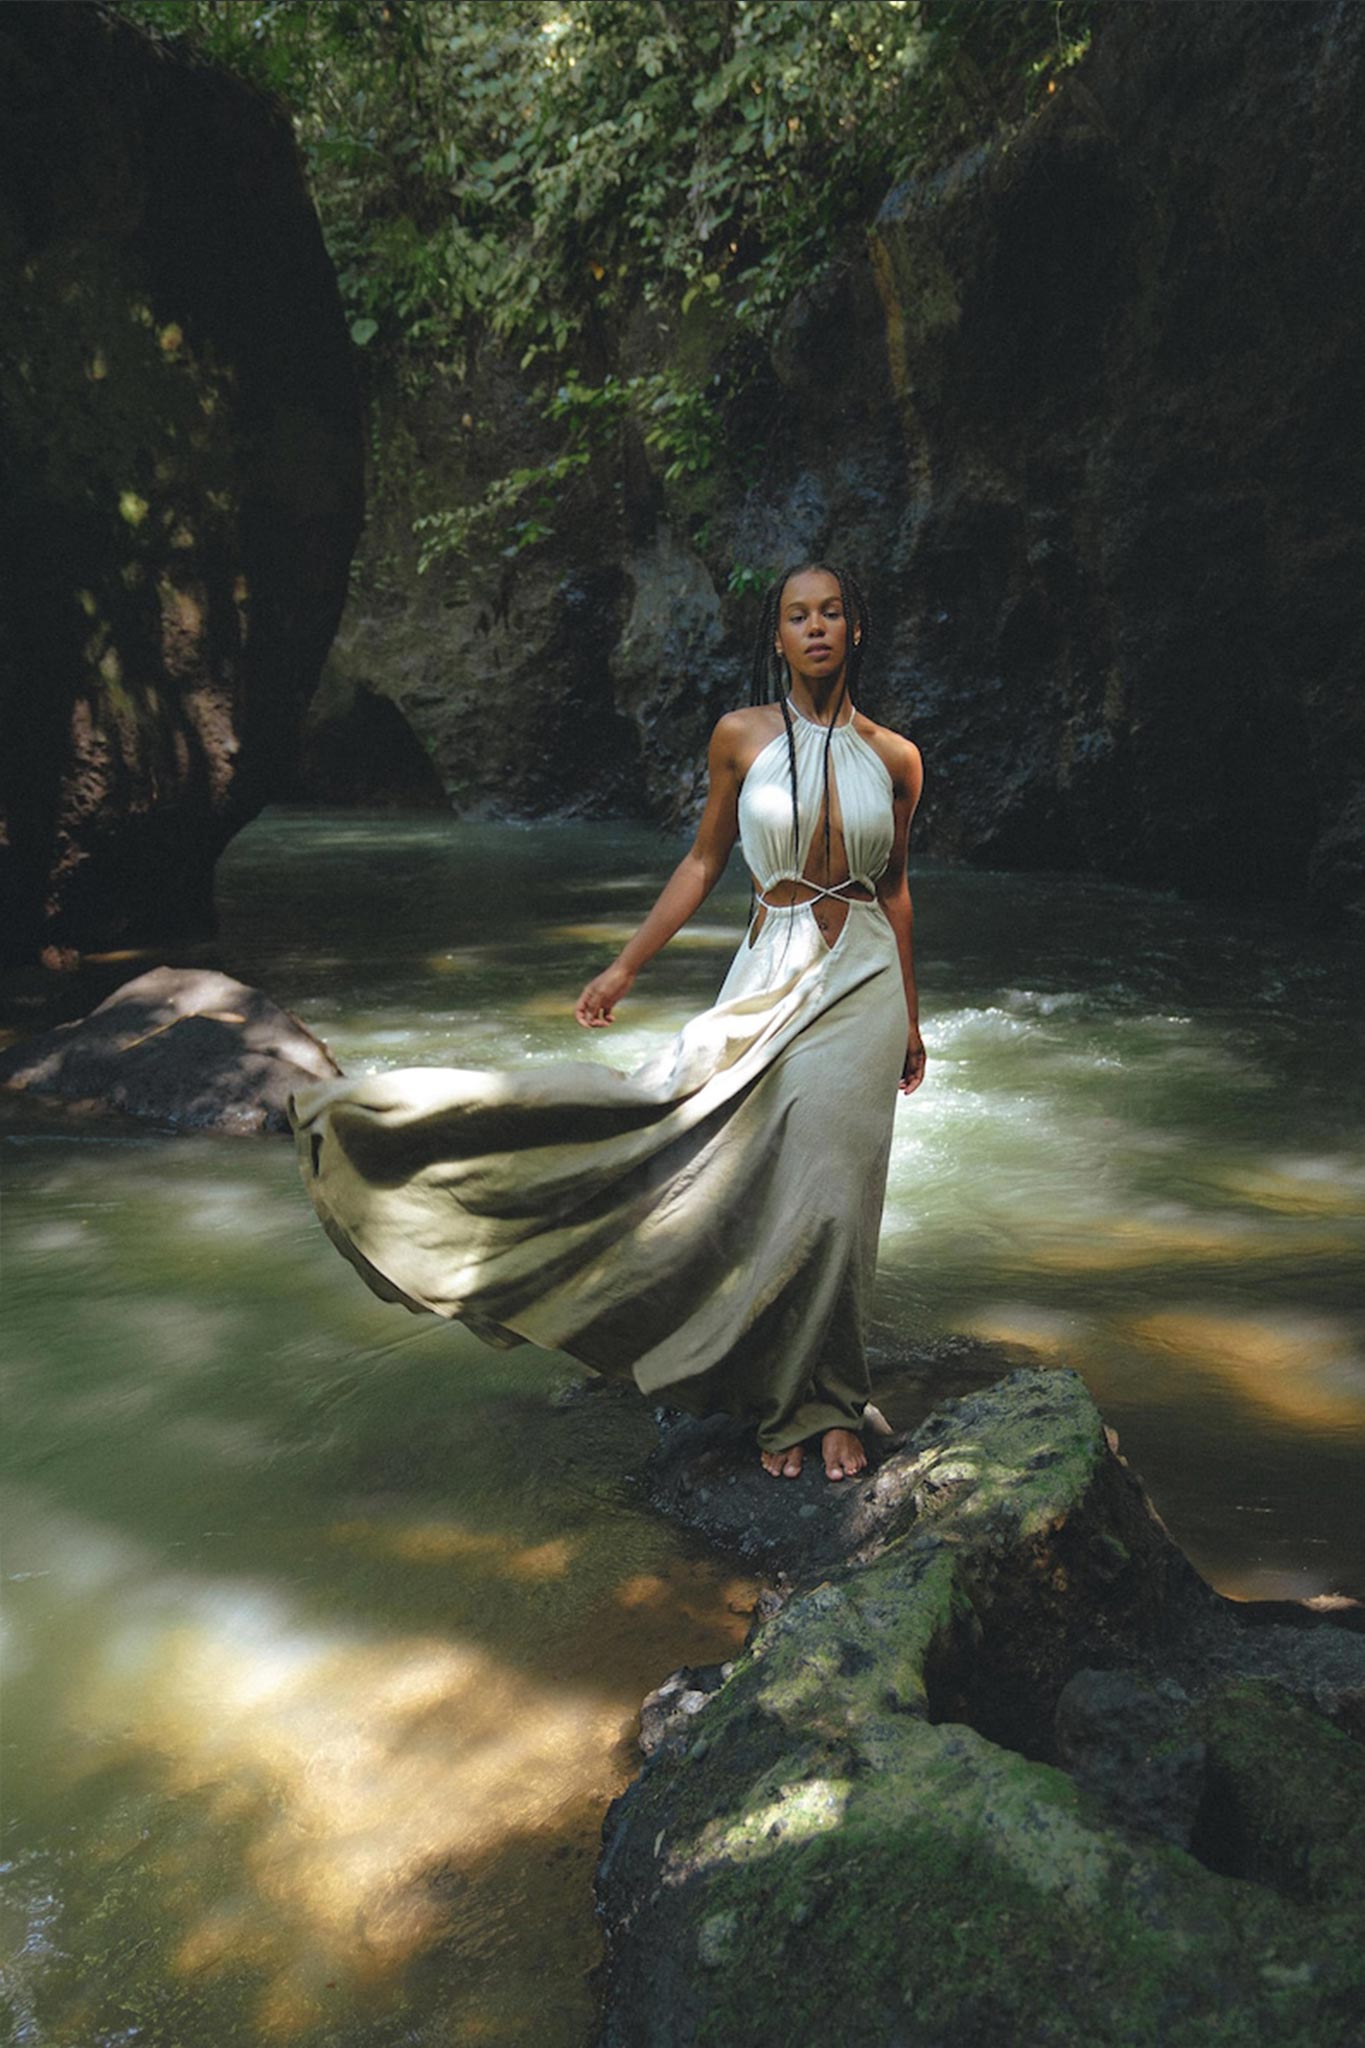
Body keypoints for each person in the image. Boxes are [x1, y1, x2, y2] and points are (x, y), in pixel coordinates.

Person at [288, 560, 924, 1483]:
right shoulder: (739, 738)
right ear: (777, 637)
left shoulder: (896, 756)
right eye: (797, 616)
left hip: (862, 976)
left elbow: (897, 889)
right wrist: (626, 963)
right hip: (771, 963)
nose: (816, 628)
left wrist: (910, 1015)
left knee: (833, 1192)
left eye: (831, 613)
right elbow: (703, 863)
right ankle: (391, 1133)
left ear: (854, 630)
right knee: (683, 1132)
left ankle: (819, 1401)